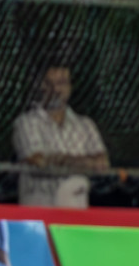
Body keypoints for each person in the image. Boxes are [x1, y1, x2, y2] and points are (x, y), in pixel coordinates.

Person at [10, 63, 109, 209]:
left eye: (61, 83)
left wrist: (59, 159)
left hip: (77, 214)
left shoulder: (86, 125)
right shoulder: (25, 123)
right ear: (41, 87)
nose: (56, 90)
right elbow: (37, 161)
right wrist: (86, 162)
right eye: (49, 84)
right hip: (39, 215)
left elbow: (102, 163)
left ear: (70, 87)